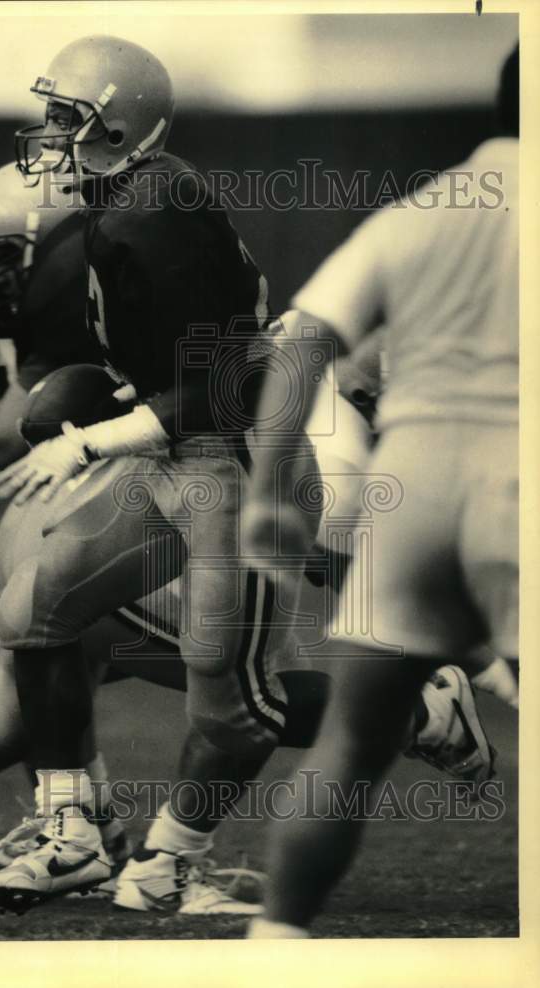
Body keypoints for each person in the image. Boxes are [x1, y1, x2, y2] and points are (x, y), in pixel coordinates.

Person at [0, 35, 494, 918]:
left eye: (69, 114)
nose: (51, 132)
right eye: (53, 112)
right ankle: (72, 835)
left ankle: (173, 861)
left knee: (232, 702)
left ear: (120, 122)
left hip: (240, 467)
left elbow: (223, 386)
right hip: (180, 453)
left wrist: (87, 441)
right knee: (33, 612)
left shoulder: (155, 209)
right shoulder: (118, 200)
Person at [244, 43, 519, 938]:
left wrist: (270, 486)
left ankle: (274, 944)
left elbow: (302, 339)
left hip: (415, 479)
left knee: (352, 747)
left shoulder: (424, 208)